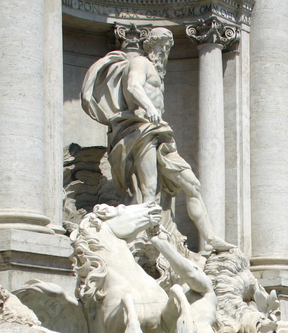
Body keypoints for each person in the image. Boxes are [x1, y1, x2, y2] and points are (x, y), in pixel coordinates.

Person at [81, 28, 232, 253]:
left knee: (192, 184)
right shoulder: (140, 62)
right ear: (149, 47)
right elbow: (133, 86)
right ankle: (142, 241)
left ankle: (210, 238)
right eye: (160, 46)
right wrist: (149, 107)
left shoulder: (158, 71)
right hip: (141, 129)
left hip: (159, 132)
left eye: (167, 47)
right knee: (149, 189)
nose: (163, 52)